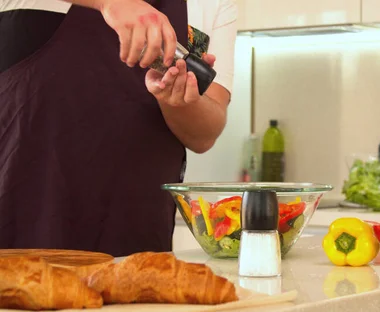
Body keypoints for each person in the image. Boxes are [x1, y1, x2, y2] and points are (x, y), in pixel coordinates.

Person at [0, 0, 238, 257]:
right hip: (24, 219)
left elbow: (205, 134)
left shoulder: (213, 6)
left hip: (134, 238)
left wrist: (177, 99)